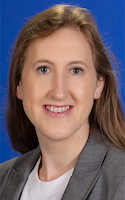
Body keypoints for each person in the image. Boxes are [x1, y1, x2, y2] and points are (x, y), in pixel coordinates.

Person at [0, 4, 125, 200]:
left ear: (98, 85)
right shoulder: (2, 179)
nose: (58, 92)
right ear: (19, 85)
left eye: (76, 70)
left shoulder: (121, 180)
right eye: (43, 69)